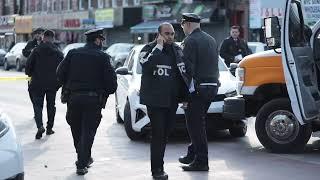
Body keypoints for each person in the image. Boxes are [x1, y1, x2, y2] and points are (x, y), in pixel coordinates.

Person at [56, 28, 117, 176]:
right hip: (93, 100)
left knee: (76, 130)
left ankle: (82, 157)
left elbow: (59, 74)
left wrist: (70, 84)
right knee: (88, 132)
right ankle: (82, 163)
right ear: (97, 40)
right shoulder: (103, 57)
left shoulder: (73, 53)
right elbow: (111, 85)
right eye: (101, 40)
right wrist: (104, 91)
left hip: (73, 98)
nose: (102, 43)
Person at [139, 22, 190, 179]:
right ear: (159, 35)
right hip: (155, 102)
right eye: (167, 33)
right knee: (158, 135)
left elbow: (183, 75)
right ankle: (157, 170)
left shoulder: (177, 50)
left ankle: (159, 167)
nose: (170, 36)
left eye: (172, 33)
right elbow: (146, 66)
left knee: (165, 134)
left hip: (172, 101)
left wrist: (185, 97)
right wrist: (158, 48)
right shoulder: (148, 49)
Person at [179, 13, 220, 171]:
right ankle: (192, 153)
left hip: (197, 89)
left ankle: (201, 161)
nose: (182, 28)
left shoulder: (189, 41)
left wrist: (184, 95)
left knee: (195, 126)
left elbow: (187, 71)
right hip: (212, 87)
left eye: (182, 25)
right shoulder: (211, 39)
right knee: (198, 123)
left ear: (187, 24)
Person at [25, 30, 64, 139]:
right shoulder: (58, 52)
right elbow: (63, 69)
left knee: (38, 106)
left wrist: (30, 74)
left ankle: (39, 126)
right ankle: (49, 128)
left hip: (37, 83)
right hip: (52, 84)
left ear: (43, 37)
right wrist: (59, 82)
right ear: (52, 38)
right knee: (51, 106)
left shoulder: (36, 50)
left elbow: (28, 67)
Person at [23, 27, 45, 120]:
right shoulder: (31, 44)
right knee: (31, 91)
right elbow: (24, 52)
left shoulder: (46, 44)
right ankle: (36, 109)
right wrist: (30, 52)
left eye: (40, 33)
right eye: (37, 33)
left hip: (43, 73)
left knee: (40, 94)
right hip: (31, 72)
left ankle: (38, 111)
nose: (38, 35)